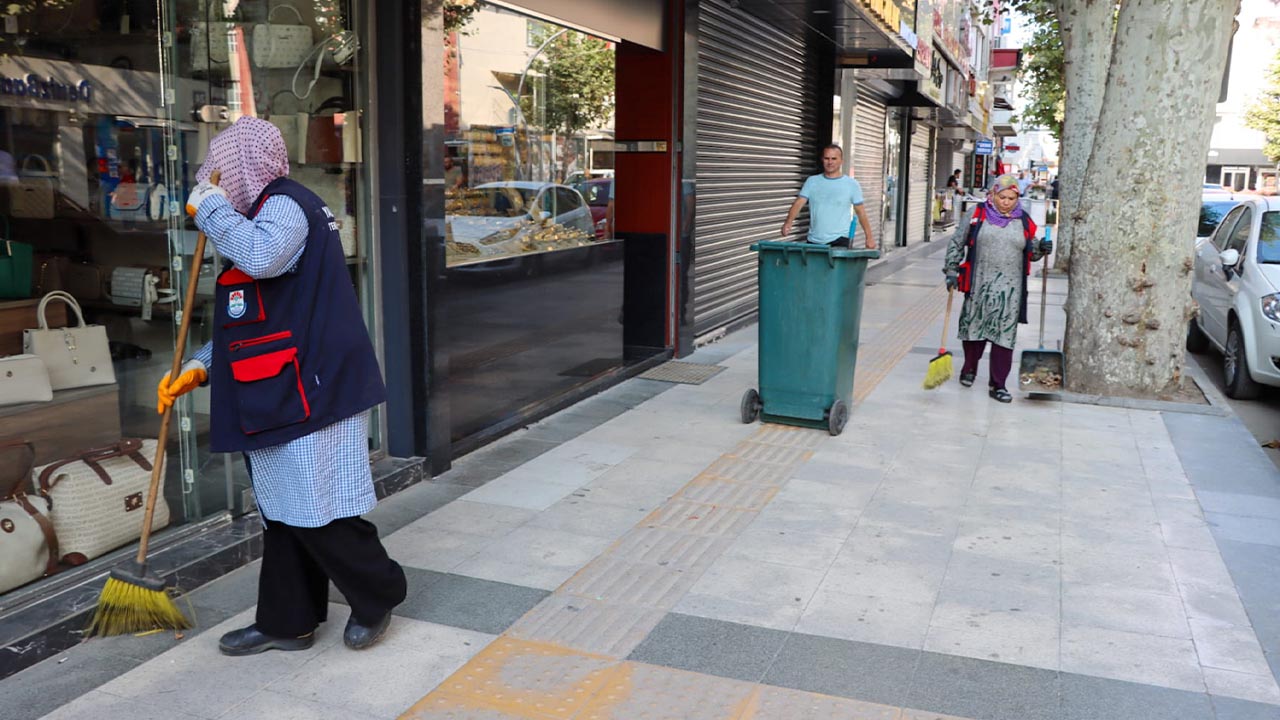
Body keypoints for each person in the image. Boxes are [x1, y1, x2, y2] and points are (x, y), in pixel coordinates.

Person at [158, 117, 406, 656]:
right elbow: (262, 313)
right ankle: (285, 621)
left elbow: (262, 257)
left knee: (314, 509)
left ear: (247, 165)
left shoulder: (287, 206)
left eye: (222, 172)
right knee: (284, 513)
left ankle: (378, 593)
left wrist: (213, 209)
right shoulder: (265, 211)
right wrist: (201, 364)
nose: (216, 183)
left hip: (310, 386)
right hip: (280, 382)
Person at [942, 174, 1053, 403]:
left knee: (1004, 336)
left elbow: (1031, 252)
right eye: (1002, 197)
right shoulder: (977, 214)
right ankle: (969, 368)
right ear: (993, 194)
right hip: (980, 283)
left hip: (1010, 290)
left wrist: (1042, 248)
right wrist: (951, 270)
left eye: (1012, 198)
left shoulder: (1023, 220)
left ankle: (998, 383)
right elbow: (957, 242)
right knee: (974, 330)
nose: (1007, 202)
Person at [781, 144, 876, 249]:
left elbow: (861, 212)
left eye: (834, 159)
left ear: (841, 160)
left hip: (839, 240)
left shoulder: (852, 184)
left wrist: (869, 237)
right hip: (814, 240)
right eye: (827, 158)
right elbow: (799, 203)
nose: (830, 162)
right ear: (822, 159)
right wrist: (788, 222)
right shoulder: (812, 181)